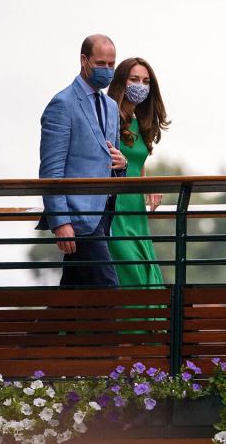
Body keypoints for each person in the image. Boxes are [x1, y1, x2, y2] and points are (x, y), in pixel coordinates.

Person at [36, 34, 128, 288]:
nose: (107, 70)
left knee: (70, 298)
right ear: (84, 60)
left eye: (111, 65)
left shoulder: (110, 106)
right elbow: (51, 170)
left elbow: (113, 160)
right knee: (109, 290)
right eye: (101, 64)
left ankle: (42, 330)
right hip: (79, 219)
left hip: (105, 215)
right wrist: (61, 221)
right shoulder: (62, 104)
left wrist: (123, 165)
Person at [105, 57, 171, 289]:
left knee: (148, 280)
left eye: (145, 81)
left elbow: (137, 162)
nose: (140, 86)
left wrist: (148, 184)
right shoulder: (106, 117)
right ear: (121, 82)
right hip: (114, 208)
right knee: (130, 278)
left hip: (136, 210)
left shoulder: (140, 122)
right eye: (134, 79)